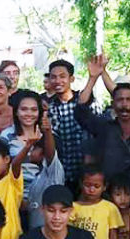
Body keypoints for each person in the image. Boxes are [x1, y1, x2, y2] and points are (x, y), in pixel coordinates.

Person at [76, 56, 130, 181]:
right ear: (113, 104)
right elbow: (81, 112)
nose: (124, 105)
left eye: (129, 100)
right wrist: (92, 78)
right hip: (108, 191)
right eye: (120, 100)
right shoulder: (104, 128)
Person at [47, 59, 101, 188]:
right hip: (63, 174)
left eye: (62, 76)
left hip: (88, 173)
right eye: (53, 77)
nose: (57, 81)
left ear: (71, 79)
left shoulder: (86, 100)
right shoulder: (50, 107)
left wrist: (92, 78)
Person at [70, 165, 124, 239]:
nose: (91, 190)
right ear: (80, 184)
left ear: (104, 187)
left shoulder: (110, 208)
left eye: (96, 186)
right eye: (87, 185)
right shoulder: (73, 207)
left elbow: (113, 237)